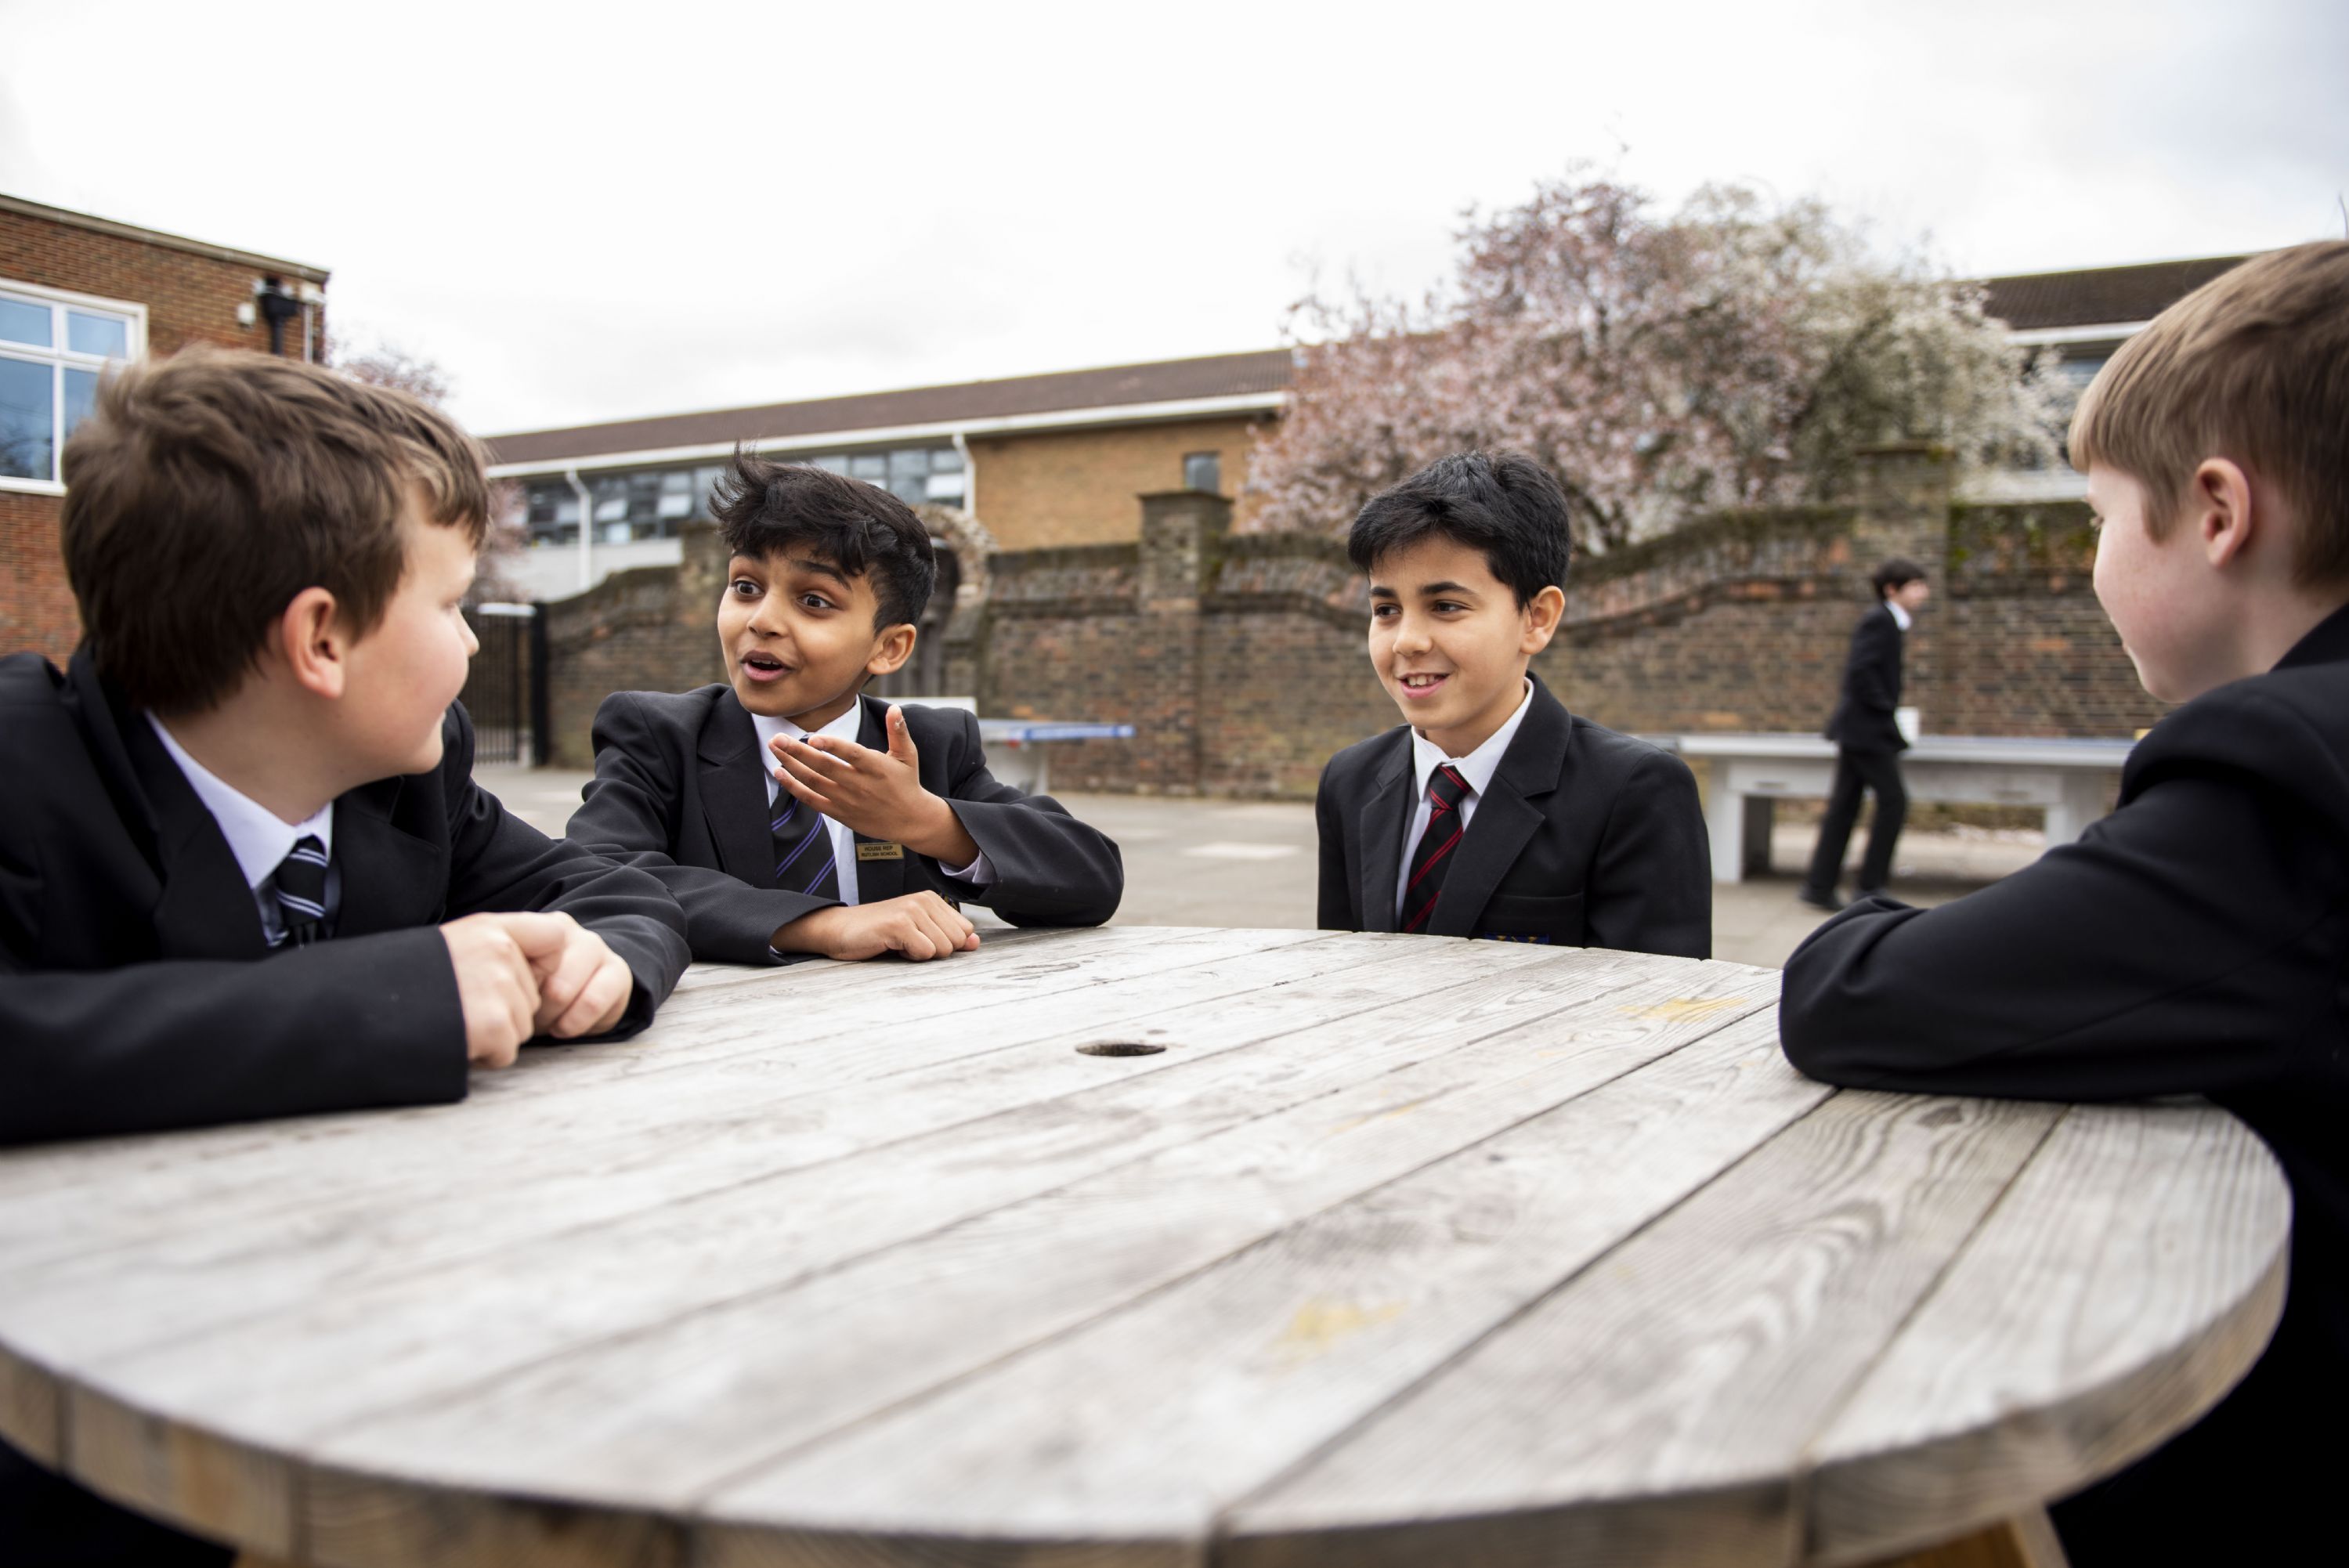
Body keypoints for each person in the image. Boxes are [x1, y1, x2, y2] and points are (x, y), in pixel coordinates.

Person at [0, 348, 692, 1561]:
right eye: (451, 605)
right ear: (322, 638)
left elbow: (608, 888)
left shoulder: (403, 776)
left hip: (360, 1333)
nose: (473, 647)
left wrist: (613, 958)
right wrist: (391, 996)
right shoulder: (21, 776)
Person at [1778, 241, 2349, 1565]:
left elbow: (1853, 995)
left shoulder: (2282, 770)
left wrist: (1858, 918)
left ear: (2214, 512)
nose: (2090, 553)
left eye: (2097, 515)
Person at [568, 453, 1122, 962]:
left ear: (888, 647)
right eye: (745, 586)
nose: (761, 619)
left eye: (813, 601)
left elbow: (1091, 878)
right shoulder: (659, 735)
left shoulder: (928, 746)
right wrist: (825, 926)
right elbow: (595, 877)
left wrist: (928, 821)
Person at [1314, 451, 1710, 957]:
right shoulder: (1349, 781)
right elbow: (1336, 976)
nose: (1406, 641)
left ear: (1537, 618)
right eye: (1386, 609)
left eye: (1446, 607)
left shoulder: (1631, 793)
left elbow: (1653, 1010)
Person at [1798, 558, 1929, 911]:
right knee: (1893, 802)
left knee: (1844, 806)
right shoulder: (1880, 621)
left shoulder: (1891, 622)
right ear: (1892, 589)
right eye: (1915, 585)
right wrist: (1887, 710)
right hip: (1866, 731)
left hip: (1862, 730)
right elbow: (1860, 673)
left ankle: (1819, 885)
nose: (1923, 592)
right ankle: (1870, 886)